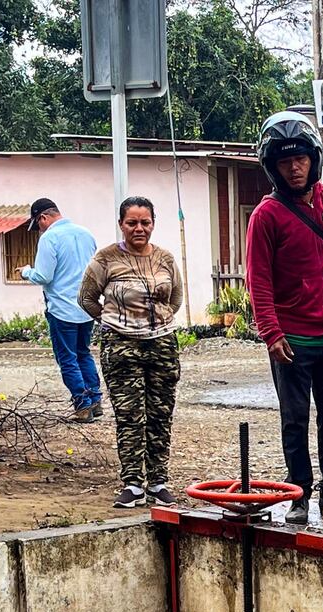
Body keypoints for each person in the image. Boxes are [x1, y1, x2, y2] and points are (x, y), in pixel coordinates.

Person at [246, 111, 323, 524]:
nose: (294, 167)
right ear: (273, 166)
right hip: (292, 340)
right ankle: (298, 493)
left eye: (300, 159)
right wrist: (270, 332)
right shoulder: (266, 215)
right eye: (284, 161)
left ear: (313, 159)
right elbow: (257, 279)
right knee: (294, 421)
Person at [77, 197, 184, 509]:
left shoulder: (165, 258)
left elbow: (175, 298)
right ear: (121, 224)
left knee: (160, 414)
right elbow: (87, 299)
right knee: (129, 415)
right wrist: (117, 321)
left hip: (162, 344)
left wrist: (155, 323)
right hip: (121, 347)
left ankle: (159, 482)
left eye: (145, 222)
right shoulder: (106, 258)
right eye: (132, 223)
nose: (139, 228)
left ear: (153, 223)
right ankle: (133, 483)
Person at [20, 198, 100, 421]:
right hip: (86, 307)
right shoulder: (86, 233)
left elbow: (44, 276)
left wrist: (26, 271)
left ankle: (82, 405)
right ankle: (95, 400)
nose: (39, 230)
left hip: (62, 309)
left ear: (43, 218)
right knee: (84, 353)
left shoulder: (49, 238)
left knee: (67, 358)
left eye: (38, 225)